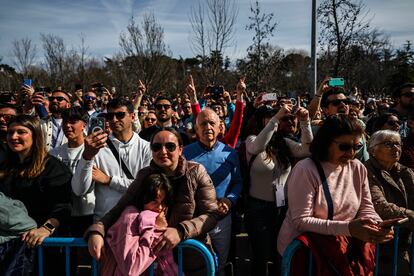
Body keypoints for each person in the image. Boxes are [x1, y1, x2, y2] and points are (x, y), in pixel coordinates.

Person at [85, 128, 219, 275]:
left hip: (192, 259)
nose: (163, 151)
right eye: (157, 147)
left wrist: (181, 231)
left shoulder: (196, 172)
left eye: (170, 146)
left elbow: (211, 214)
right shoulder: (145, 175)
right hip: (157, 265)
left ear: (180, 149)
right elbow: (118, 209)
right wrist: (97, 231)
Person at [277, 114, 393, 275]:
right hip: (306, 255)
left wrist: (376, 225)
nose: (351, 153)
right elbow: (301, 221)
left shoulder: (357, 167)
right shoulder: (305, 169)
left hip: (342, 249)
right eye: (344, 147)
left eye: (357, 147)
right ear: (326, 143)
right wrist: (349, 228)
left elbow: (366, 207)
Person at [245, 103, 312, 275]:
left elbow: (307, 149)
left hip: (283, 207)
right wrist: (275, 119)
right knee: (261, 254)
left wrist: (305, 122)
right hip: (258, 208)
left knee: (281, 252)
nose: (277, 120)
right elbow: (258, 147)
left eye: (277, 117)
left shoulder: (284, 143)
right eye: (270, 117)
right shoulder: (251, 140)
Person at [0, 115, 72, 274]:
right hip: (8, 248)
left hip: (41, 247)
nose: (14, 137)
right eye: (10, 132)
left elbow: (63, 206)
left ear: (35, 135)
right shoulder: (5, 165)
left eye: (21, 132)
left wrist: (46, 229)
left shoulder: (54, 168)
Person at [183, 108, 242, 275]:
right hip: (195, 220)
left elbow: (238, 182)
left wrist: (230, 200)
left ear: (219, 127)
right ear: (196, 129)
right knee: (197, 266)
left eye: (212, 123)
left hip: (222, 220)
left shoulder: (230, 153)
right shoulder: (185, 153)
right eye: (203, 123)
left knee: (220, 265)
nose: (207, 127)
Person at [72, 97, 152, 220]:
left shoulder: (146, 148)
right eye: (110, 116)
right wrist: (87, 156)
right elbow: (79, 190)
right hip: (104, 222)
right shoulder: (96, 147)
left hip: (137, 221)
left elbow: (145, 187)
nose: (114, 120)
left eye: (120, 115)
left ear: (132, 117)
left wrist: (109, 180)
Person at [100, 172, 179, 276]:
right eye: (154, 201)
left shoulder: (154, 217)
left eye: (164, 202)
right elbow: (131, 268)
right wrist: (155, 231)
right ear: (143, 198)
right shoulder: (130, 217)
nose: (160, 208)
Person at [366, 130, 414, 275]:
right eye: (388, 144)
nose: (396, 148)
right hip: (382, 246)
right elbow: (380, 207)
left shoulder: (405, 172)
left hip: (404, 241)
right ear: (372, 150)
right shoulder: (366, 171)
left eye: (398, 144)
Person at [49, 107, 95, 236]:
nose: (68, 126)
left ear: (83, 125)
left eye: (73, 122)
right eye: (65, 122)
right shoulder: (53, 154)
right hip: (62, 215)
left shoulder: (95, 151)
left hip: (88, 214)